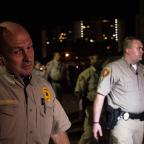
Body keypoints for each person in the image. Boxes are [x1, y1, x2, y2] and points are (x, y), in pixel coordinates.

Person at [0, 21, 71, 144]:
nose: (28, 58)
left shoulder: (44, 87)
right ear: (1, 58)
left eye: (29, 47)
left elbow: (58, 133)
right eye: (17, 51)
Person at [93, 36, 144, 144]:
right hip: (122, 124)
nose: (142, 51)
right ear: (127, 50)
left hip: (140, 122)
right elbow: (100, 95)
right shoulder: (112, 68)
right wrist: (96, 122)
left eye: (142, 48)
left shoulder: (142, 69)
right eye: (138, 48)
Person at [74, 54, 101, 144]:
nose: (98, 61)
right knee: (88, 133)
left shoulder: (102, 72)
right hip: (90, 106)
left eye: (99, 59)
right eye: (96, 59)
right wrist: (81, 109)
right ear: (91, 61)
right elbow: (79, 93)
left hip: (101, 107)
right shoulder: (86, 74)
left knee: (102, 132)